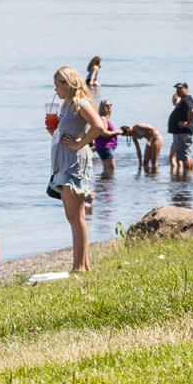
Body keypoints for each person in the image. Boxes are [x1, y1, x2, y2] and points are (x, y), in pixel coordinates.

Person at [49, 66, 103, 273]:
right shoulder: (67, 105)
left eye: (57, 85)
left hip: (73, 164)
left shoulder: (79, 103)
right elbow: (65, 136)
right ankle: (84, 265)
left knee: (76, 216)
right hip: (64, 162)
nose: (55, 90)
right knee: (74, 216)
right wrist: (53, 132)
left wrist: (81, 143)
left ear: (67, 83)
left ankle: (79, 267)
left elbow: (98, 126)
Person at [167, 82, 193, 174]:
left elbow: (192, 110)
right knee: (185, 155)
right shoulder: (183, 100)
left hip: (183, 132)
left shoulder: (187, 99)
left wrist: (188, 123)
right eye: (177, 89)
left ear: (187, 89)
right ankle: (189, 175)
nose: (178, 90)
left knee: (184, 157)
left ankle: (186, 177)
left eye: (180, 88)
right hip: (180, 132)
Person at [93, 100, 118, 177]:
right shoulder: (103, 118)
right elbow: (104, 133)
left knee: (108, 170)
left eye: (110, 105)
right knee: (110, 170)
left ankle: (103, 186)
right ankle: (104, 187)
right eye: (107, 105)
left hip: (106, 147)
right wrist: (117, 132)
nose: (109, 107)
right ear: (102, 107)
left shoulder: (105, 118)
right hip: (106, 147)